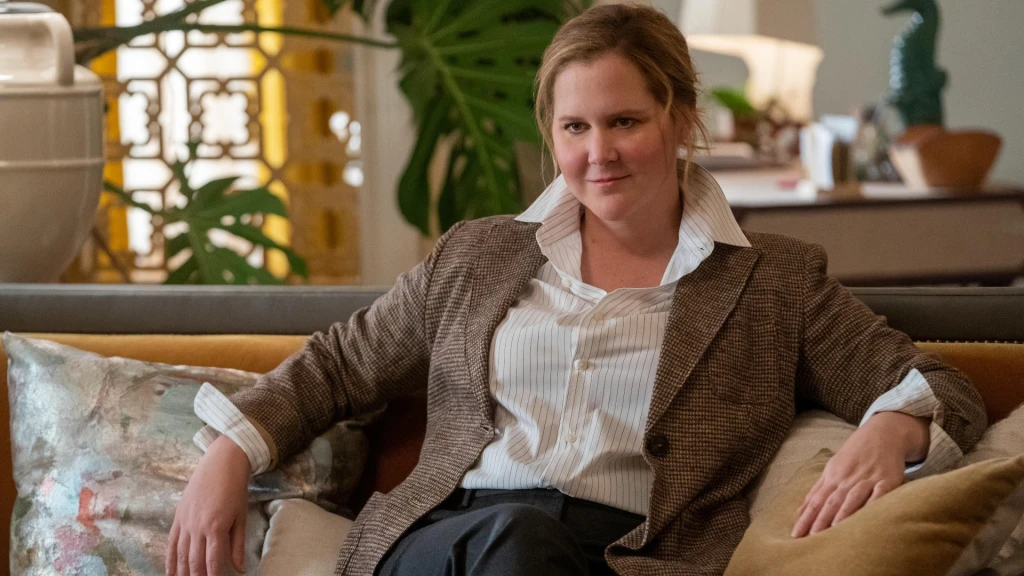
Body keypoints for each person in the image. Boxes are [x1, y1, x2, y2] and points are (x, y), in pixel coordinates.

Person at [166, 5, 987, 576]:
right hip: (449, 544)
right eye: (575, 127)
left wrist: (893, 429)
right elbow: (340, 366)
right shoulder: (477, 255)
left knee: (528, 549)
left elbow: (940, 387)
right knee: (516, 540)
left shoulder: (773, 282)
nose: (599, 153)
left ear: (679, 118)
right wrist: (229, 455)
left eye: (624, 121)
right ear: (552, 134)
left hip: (629, 558)